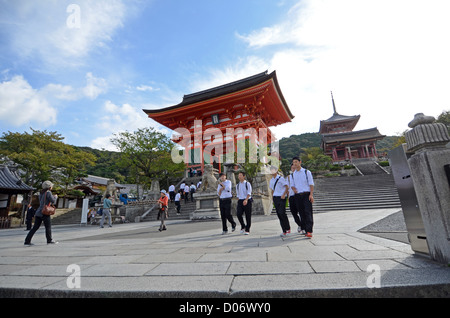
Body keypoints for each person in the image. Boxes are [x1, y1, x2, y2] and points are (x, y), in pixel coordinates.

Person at [24, 181, 58, 246]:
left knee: (35, 227)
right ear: (49, 187)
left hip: (39, 212)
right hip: (45, 212)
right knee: (48, 227)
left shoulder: (41, 193)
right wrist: (55, 197)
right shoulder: (48, 192)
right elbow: (53, 201)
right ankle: (49, 240)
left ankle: (27, 240)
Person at [291, 157, 315, 238]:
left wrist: (311, 195)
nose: (295, 164)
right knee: (301, 213)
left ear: (300, 162)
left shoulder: (306, 172)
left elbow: (311, 184)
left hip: (306, 194)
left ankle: (309, 231)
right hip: (298, 196)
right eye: (293, 162)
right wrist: (294, 189)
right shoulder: (293, 174)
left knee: (308, 212)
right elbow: (292, 185)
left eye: (296, 162)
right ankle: (304, 229)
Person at [269, 166, 291, 237]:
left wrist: (284, 194)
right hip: (275, 198)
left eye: (273, 170)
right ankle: (283, 230)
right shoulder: (271, 180)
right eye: (271, 170)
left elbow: (287, 187)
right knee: (279, 214)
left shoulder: (280, 178)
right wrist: (272, 199)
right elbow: (272, 190)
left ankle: (288, 228)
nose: (272, 172)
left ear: (276, 170)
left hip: (281, 197)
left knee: (282, 213)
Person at [287, 164, 303, 233]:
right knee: (294, 213)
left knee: (301, 212)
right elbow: (287, 188)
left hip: (298, 196)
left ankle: (303, 227)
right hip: (291, 197)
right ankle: (300, 225)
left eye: (294, 168)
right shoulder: (289, 177)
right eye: (292, 168)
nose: (293, 169)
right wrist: (288, 197)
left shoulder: (299, 176)